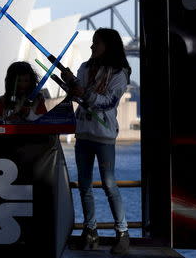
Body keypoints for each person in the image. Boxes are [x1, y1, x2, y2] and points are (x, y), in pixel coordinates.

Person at [61, 28, 131, 255]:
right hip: (83, 133)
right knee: (84, 185)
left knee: (109, 185)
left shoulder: (120, 72)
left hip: (104, 136)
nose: (92, 47)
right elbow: (78, 96)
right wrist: (70, 84)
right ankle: (90, 231)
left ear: (108, 45)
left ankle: (122, 232)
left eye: (96, 43)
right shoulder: (84, 68)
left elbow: (108, 102)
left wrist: (82, 92)